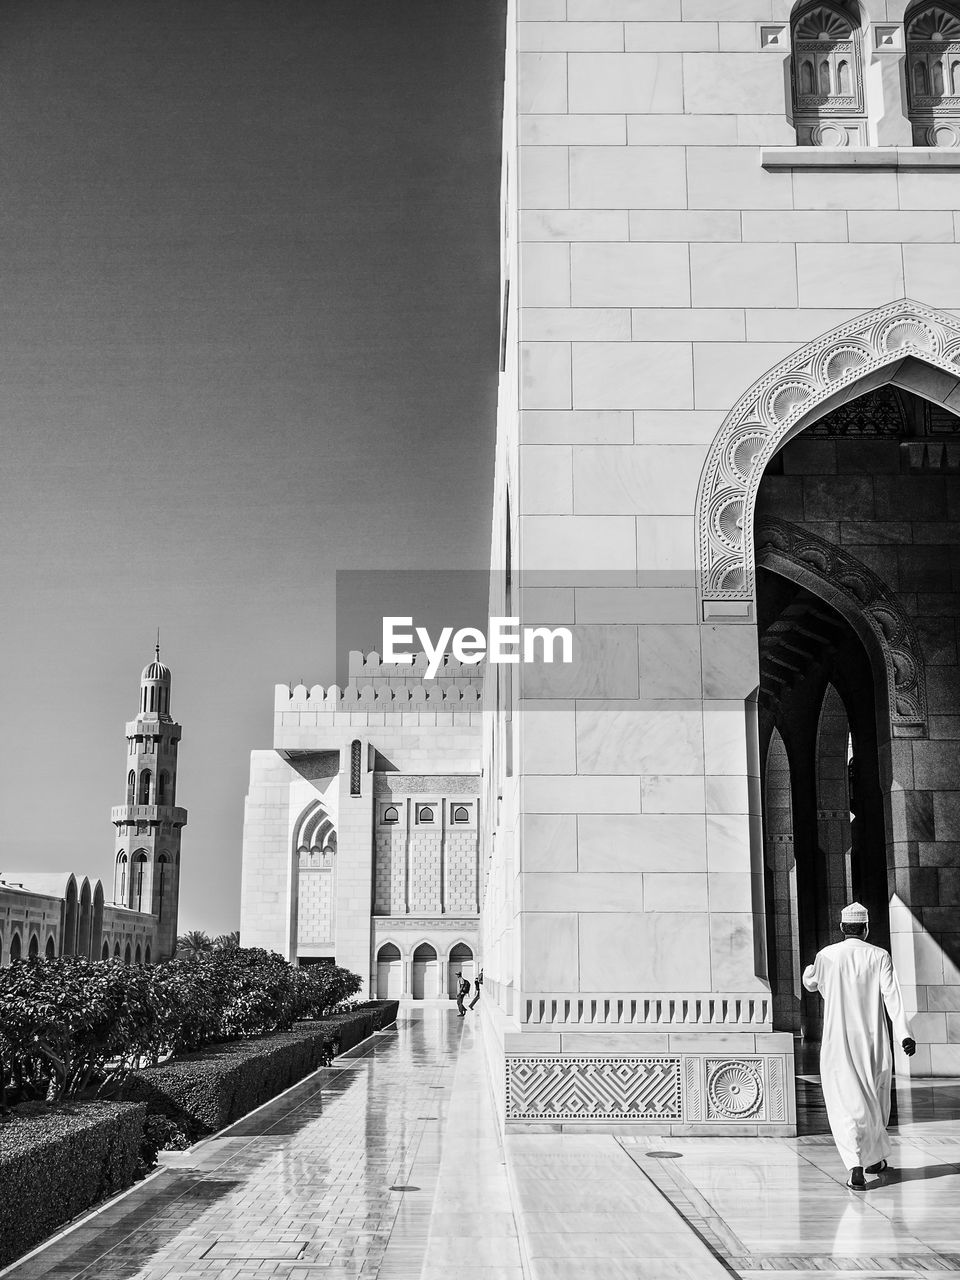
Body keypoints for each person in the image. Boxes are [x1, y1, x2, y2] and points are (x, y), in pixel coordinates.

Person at [802, 902, 916, 1190]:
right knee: (874, 1101)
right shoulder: (879, 955)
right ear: (865, 930)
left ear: (842, 928)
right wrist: (904, 1034)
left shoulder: (826, 955)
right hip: (873, 1040)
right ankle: (872, 1159)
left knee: (845, 1104)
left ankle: (857, 1165)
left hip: (838, 1042)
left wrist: (808, 971)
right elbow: (893, 996)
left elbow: (811, 983)